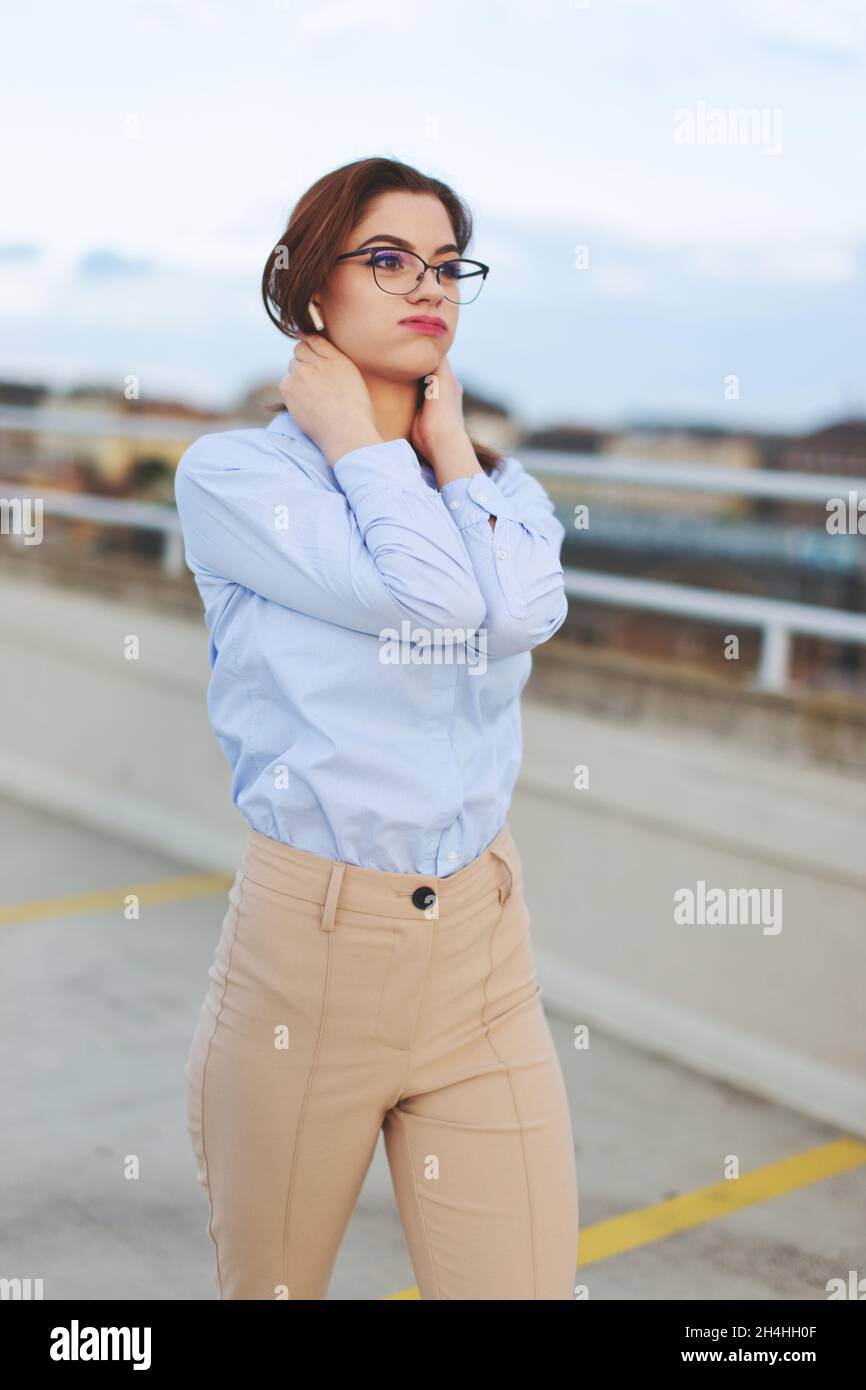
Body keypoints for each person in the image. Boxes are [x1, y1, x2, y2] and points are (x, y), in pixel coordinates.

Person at [175, 156, 579, 1300]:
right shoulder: (238, 479)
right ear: (311, 291)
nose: (429, 287)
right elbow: (439, 603)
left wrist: (446, 446)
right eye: (388, 258)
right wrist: (357, 440)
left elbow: (516, 612)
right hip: (312, 958)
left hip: (483, 956)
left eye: (447, 266)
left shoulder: (501, 487)